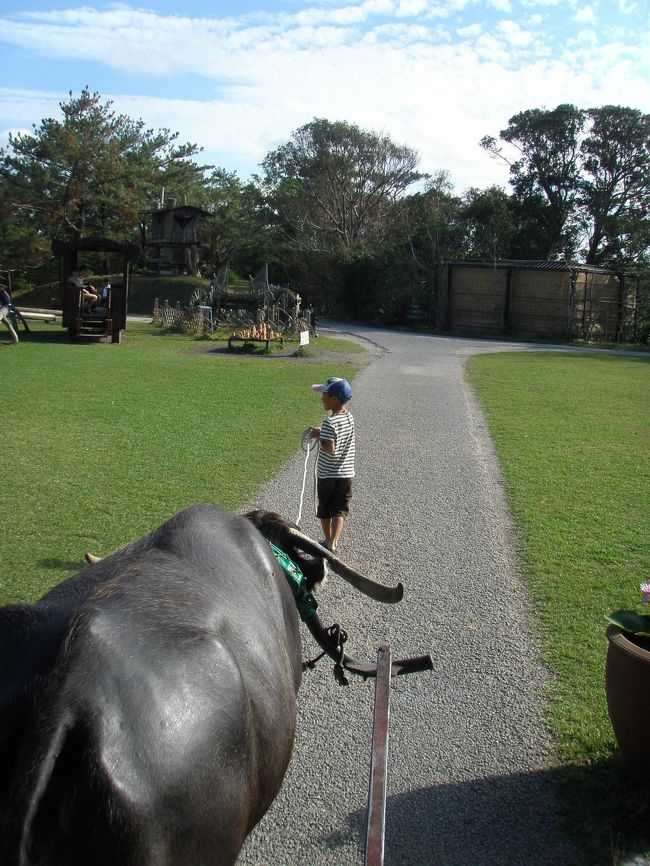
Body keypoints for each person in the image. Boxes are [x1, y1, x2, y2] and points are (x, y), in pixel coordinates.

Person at [309, 377, 355, 552]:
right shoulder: (349, 418)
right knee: (340, 509)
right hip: (346, 474)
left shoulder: (329, 422)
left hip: (328, 475)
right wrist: (323, 433)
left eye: (324, 395)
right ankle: (333, 542)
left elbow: (330, 448)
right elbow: (340, 436)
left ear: (334, 399)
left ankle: (328, 541)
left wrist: (318, 435)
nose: (321, 398)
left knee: (326, 509)